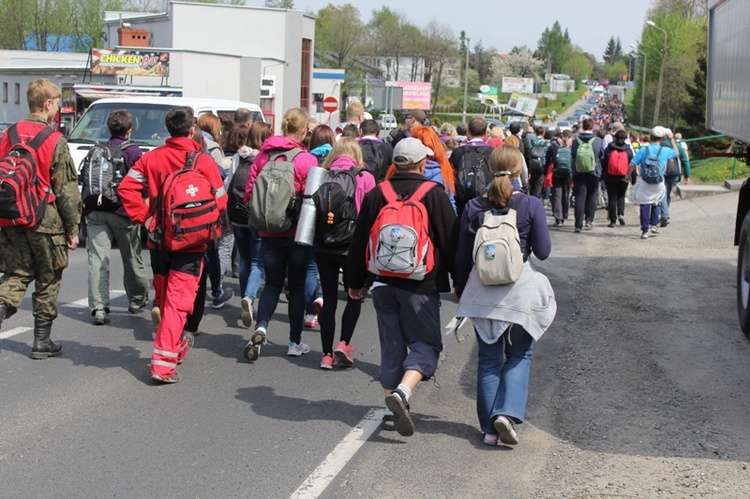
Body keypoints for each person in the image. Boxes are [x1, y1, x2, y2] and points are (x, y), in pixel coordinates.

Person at [347, 137, 457, 437]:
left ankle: (390, 406)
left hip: (381, 282)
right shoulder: (433, 194)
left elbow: (359, 242)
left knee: (392, 344)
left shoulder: (377, 193)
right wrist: (461, 283)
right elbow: (450, 242)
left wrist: (355, 282)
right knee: (427, 344)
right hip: (421, 284)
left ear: (394, 163)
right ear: (423, 163)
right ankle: (403, 393)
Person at [118, 106, 227, 383]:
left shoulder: (151, 158)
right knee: (179, 304)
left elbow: (126, 189)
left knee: (166, 299)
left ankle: (174, 346)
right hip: (192, 243)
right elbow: (221, 200)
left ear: (169, 129)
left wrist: (146, 219)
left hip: (158, 242)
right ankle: (163, 364)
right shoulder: (203, 161)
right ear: (192, 129)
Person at [454, 145, 553, 446]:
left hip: (483, 291)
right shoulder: (531, 204)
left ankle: (488, 429)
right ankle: (506, 415)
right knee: (520, 354)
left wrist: (462, 291)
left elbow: (460, 257)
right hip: (519, 292)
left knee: (488, 360)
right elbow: (544, 252)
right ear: (520, 169)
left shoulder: (473, 207)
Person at [0, 78, 81, 359]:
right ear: (47, 104)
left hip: (12, 218)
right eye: (57, 104)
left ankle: (1, 307)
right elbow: (66, 190)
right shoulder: (54, 139)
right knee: (47, 278)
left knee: (16, 273)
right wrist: (73, 229)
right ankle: (41, 342)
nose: (57, 109)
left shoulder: (8, 134)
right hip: (45, 221)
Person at [242, 108, 318, 361]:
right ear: (305, 130)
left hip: (268, 229)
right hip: (297, 231)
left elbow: (250, 191)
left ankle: (261, 326)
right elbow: (312, 199)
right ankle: (294, 342)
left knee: (272, 283)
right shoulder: (307, 160)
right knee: (296, 286)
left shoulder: (264, 155)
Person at [314, 138, 376, 369]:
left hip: (323, 244)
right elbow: (371, 215)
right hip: (352, 246)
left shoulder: (320, 175)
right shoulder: (364, 177)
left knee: (329, 299)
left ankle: (326, 355)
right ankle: (344, 343)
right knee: (354, 294)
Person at [84, 109, 150, 325]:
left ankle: (99, 307)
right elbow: (143, 185)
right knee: (131, 257)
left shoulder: (96, 149)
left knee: (97, 259)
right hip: (123, 212)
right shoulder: (133, 152)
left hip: (95, 210)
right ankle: (136, 300)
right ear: (129, 130)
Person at [228, 121, 271, 327]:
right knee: (257, 262)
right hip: (257, 214)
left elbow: (228, 183)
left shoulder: (239, 155)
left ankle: (246, 300)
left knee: (244, 259)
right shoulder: (267, 157)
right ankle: (250, 296)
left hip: (237, 214)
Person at [196, 113, 234, 309]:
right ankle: (217, 291)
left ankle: (160, 301)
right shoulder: (210, 150)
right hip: (207, 214)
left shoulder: (162, 153)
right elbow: (220, 183)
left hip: (177, 217)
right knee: (215, 249)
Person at [627, 126, 679, 239]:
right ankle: (654, 225)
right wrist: (671, 140)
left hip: (645, 181)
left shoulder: (643, 150)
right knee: (657, 201)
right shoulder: (664, 151)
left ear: (650, 137)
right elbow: (676, 153)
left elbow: (632, 164)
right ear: (662, 138)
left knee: (645, 204)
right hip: (659, 181)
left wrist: (628, 175)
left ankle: (645, 230)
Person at [571, 118, 604, 232]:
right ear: (592, 127)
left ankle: (578, 224)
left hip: (579, 172)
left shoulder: (576, 140)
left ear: (582, 126)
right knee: (592, 194)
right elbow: (602, 156)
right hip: (594, 172)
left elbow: (573, 155)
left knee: (580, 196)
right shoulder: (598, 141)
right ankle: (589, 220)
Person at [601, 129, 634, 227]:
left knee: (612, 197)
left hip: (610, 176)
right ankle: (620, 214)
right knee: (621, 196)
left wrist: (602, 174)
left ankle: (612, 221)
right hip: (623, 177)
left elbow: (603, 161)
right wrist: (633, 177)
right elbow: (632, 164)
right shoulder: (628, 150)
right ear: (625, 138)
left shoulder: (609, 148)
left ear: (615, 137)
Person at [659, 129, 691, 227]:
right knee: (667, 194)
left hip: (662, 173)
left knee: (661, 194)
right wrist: (687, 176)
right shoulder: (678, 147)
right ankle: (665, 213)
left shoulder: (659, 145)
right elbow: (685, 161)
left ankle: (663, 214)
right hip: (673, 174)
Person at [547, 129, 573, 226]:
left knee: (557, 195)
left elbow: (549, 159)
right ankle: (564, 215)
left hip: (556, 173)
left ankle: (558, 217)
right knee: (566, 194)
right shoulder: (572, 146)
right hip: (568, 174)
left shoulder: (554, 146)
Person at [359, 119, 393, 183]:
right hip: (379, 187)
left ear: (361, 131)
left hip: (358, 186)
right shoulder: (387, 148)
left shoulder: (354, 147)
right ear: (379, 133)